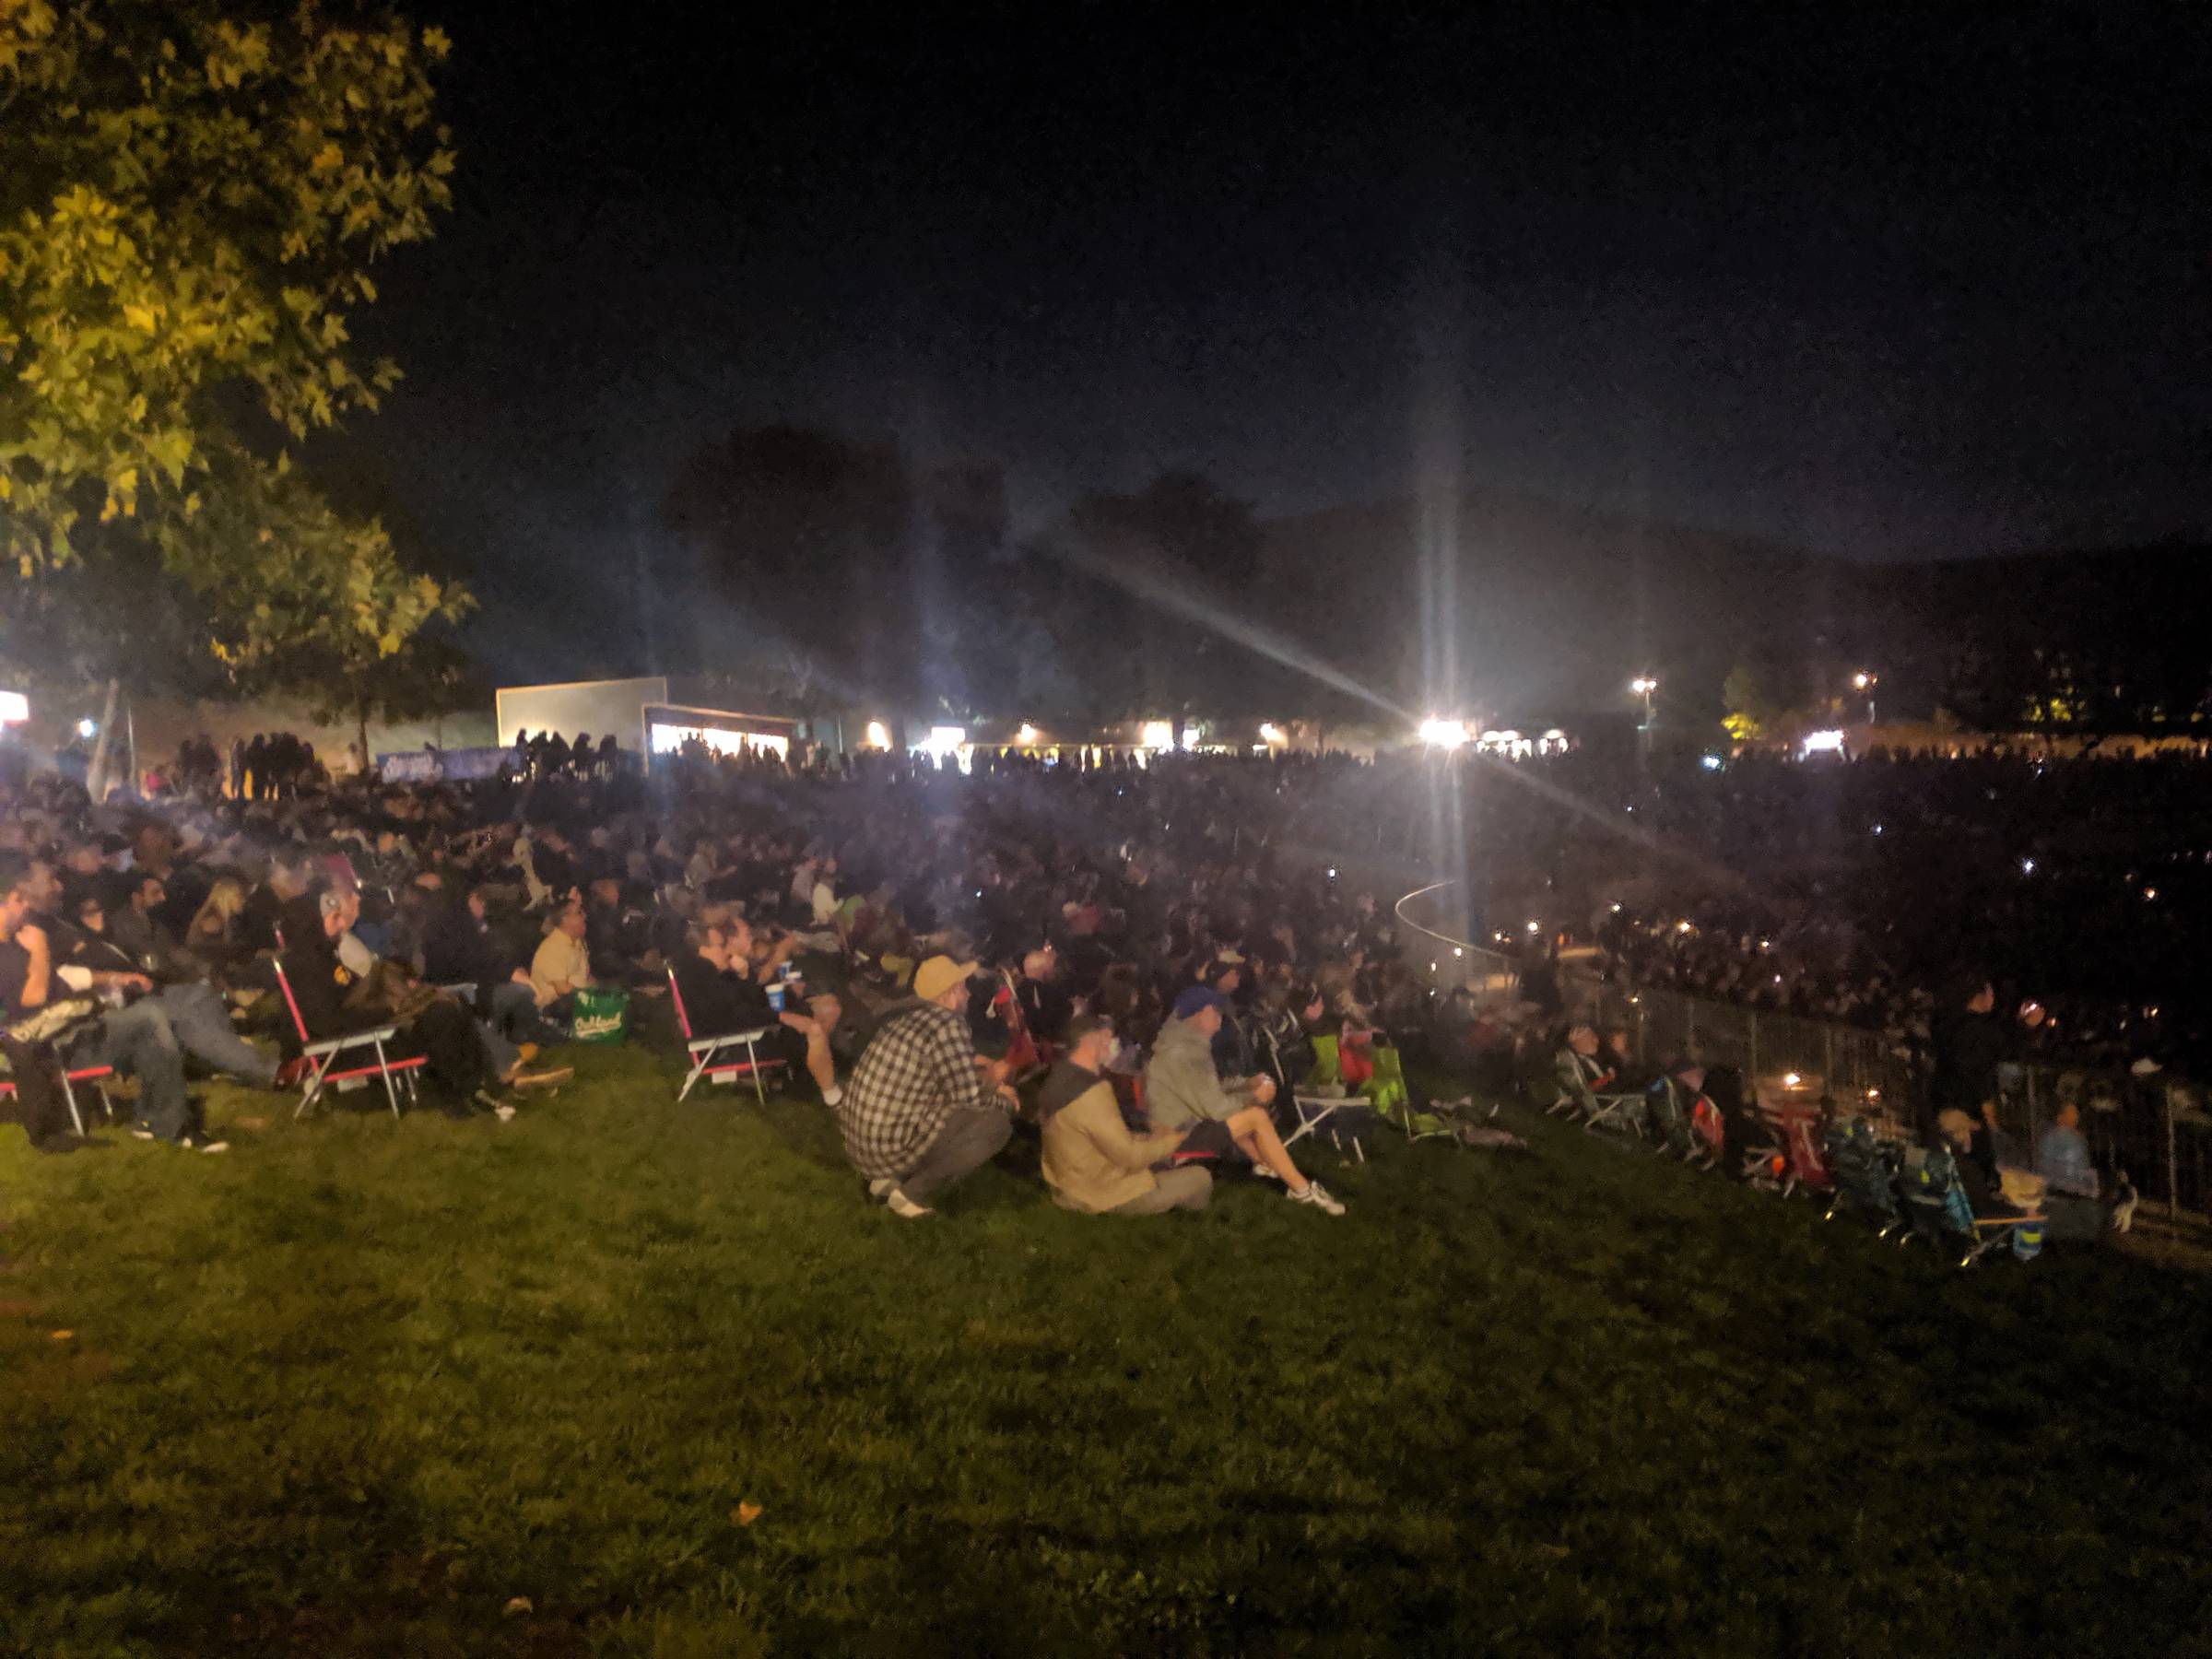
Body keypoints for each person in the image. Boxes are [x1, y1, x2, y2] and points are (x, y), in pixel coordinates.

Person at [0, 854, 221, 1151]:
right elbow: (33, 998)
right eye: (22, 902)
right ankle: (169, 1121)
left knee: (152, 1020)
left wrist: (110, 979)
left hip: (76, 1028)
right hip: (52, 1045)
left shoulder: (20, 936)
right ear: (11, 897)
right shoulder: (16, 945)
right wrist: (40, 949)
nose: (28, 908)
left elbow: (62, 980)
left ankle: (161, 1119)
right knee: (149, 1018)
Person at [835, 954, 1013, 1218]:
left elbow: (948, 1074)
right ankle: (910, 1194)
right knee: (996, 1124)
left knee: (949, 1103)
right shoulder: (948, 1024)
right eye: (963, 987)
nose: (968, 994)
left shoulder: (906, 1019)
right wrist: (1006, 1099)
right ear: (949, 994)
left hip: (860, 1145)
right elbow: (970, 1098)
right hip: (886, 1148)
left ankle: (885, 1180)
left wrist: (980, 1069)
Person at [1140, 986, 1345, 1213]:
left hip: (1181, 1124)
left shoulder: (1183, 1044)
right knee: (1255, 1117)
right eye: (1215, 1013)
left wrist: (1248, 1083)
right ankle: (1301, 1190)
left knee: (1245, 1115)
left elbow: (1212, 1088)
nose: (1220, 1020)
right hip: (1177, 1135)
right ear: (1198, 1013)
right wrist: (1254, 1097)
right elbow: (1217, 1109)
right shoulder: (1184, 1053)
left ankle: (1268, 1165)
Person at [1039, 1014, 1213, 1214]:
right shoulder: (1090, 1093)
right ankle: (1191, 1221)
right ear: (1090, 1040)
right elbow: (1130, 1156)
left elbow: (1101, 1137)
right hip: (1098, 1193)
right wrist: (1172, 1142)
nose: (1110, 1042)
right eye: (1105, 1036)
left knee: (1158, 1153)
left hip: (1069, 1182)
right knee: (1200, 1177)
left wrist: (1150, 1135)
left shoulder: (1060, 1077)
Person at [673, 920, 841, 1104]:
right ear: (703, 949)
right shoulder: (703, 979)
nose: (727, 951)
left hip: (734, 1038)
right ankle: (832, 1097)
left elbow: (745, 1006)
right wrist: (781, 1017)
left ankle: (814, 1082)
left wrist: (745, 976)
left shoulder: (708, 973)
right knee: (813, 1030)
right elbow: (738, 1016)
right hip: (727, 1047)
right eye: (721, 946)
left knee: (807, 1022)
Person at [2034, 1100, 2129, 1241]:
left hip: (2068, 1183)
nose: (2075, 1118)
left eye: (2076, 1114)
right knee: (2113, 1185)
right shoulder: (2062, 1138)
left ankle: (2112, 1215)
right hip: (2065, 1185)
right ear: (2061, 1118)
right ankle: (2111, 1217)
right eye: (2071, 1114)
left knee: (2114, 1183)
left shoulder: (2070, 1138)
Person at [529, 900, 594, 1022]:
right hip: (553, 1008)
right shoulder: (552, 948)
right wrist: (592, 999)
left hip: (578, 999)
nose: (584, 916)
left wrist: (606, 991)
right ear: (565, 919)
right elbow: (562, 989)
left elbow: (586, 977)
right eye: (579, 913)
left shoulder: (578, 943)